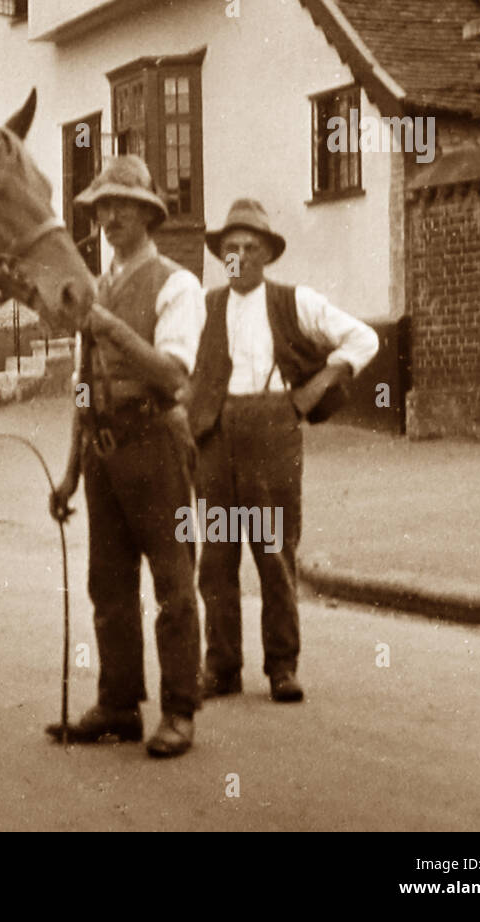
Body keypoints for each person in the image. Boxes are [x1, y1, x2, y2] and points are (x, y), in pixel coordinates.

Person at [188, 198, 379, 704]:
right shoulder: (202, 308)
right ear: (220, 255)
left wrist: (312, 392)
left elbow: (363, 339)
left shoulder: (295, 302)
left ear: (268, 254)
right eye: (231, 247)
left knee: (273, 553)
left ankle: (282, 667)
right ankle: (222, 666)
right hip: (215, 435)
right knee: (217, 557)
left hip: (274, 432)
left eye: (252, 247)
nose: (241, 256)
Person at [46, 156, 205, 758]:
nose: (108, 216)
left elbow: (172, 378)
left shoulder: (178, 285)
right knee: (107, 585)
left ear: (148, 213)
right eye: (100, 206)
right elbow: (84, 385)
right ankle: (117, 704)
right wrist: (68, 473)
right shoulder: (98, 285)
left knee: (172, 581)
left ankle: (180, 711)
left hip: (156, 446)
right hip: (102, 453)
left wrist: (109, 327)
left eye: (121, 205)